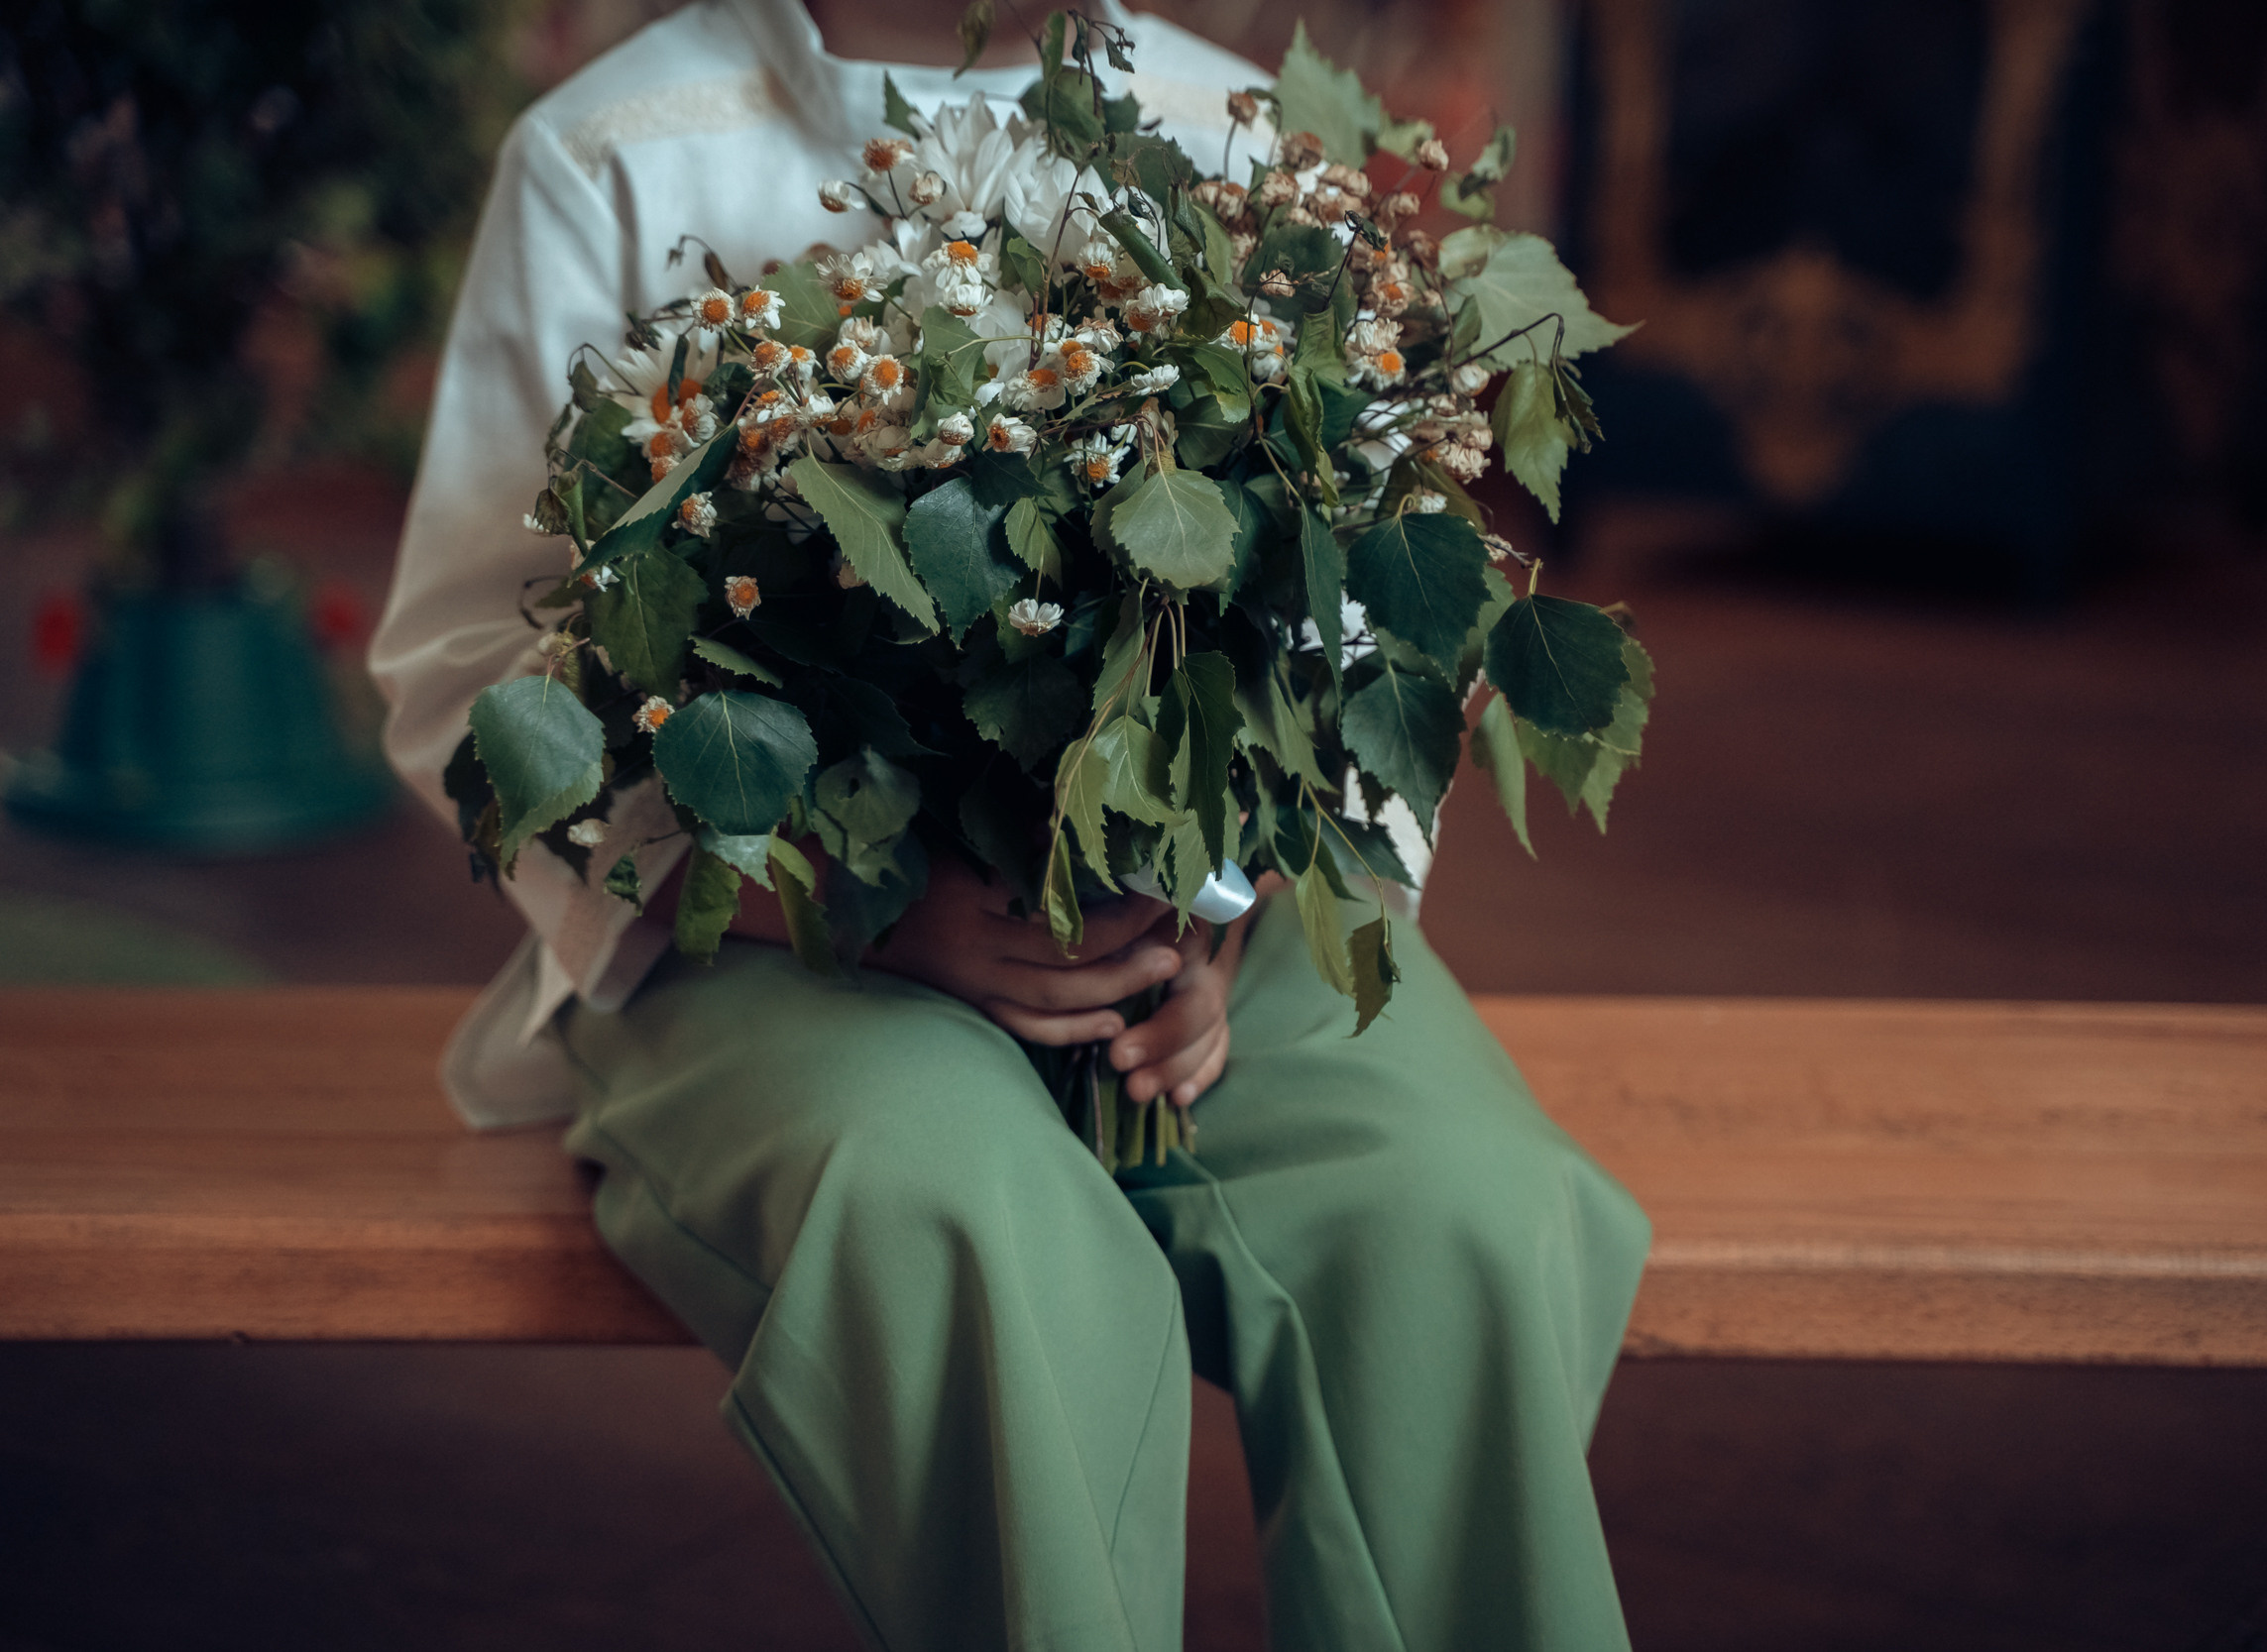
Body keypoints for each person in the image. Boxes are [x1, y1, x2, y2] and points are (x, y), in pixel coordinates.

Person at [369, 2, 1650, 1646]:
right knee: (967, 1218)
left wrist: (1215, 896)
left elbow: (1342, 615)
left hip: (1179, 927)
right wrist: (844, 900)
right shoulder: (612, 156)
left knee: (1456, 1206)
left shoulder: (1238, 127)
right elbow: (469, 666)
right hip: (781, 923)